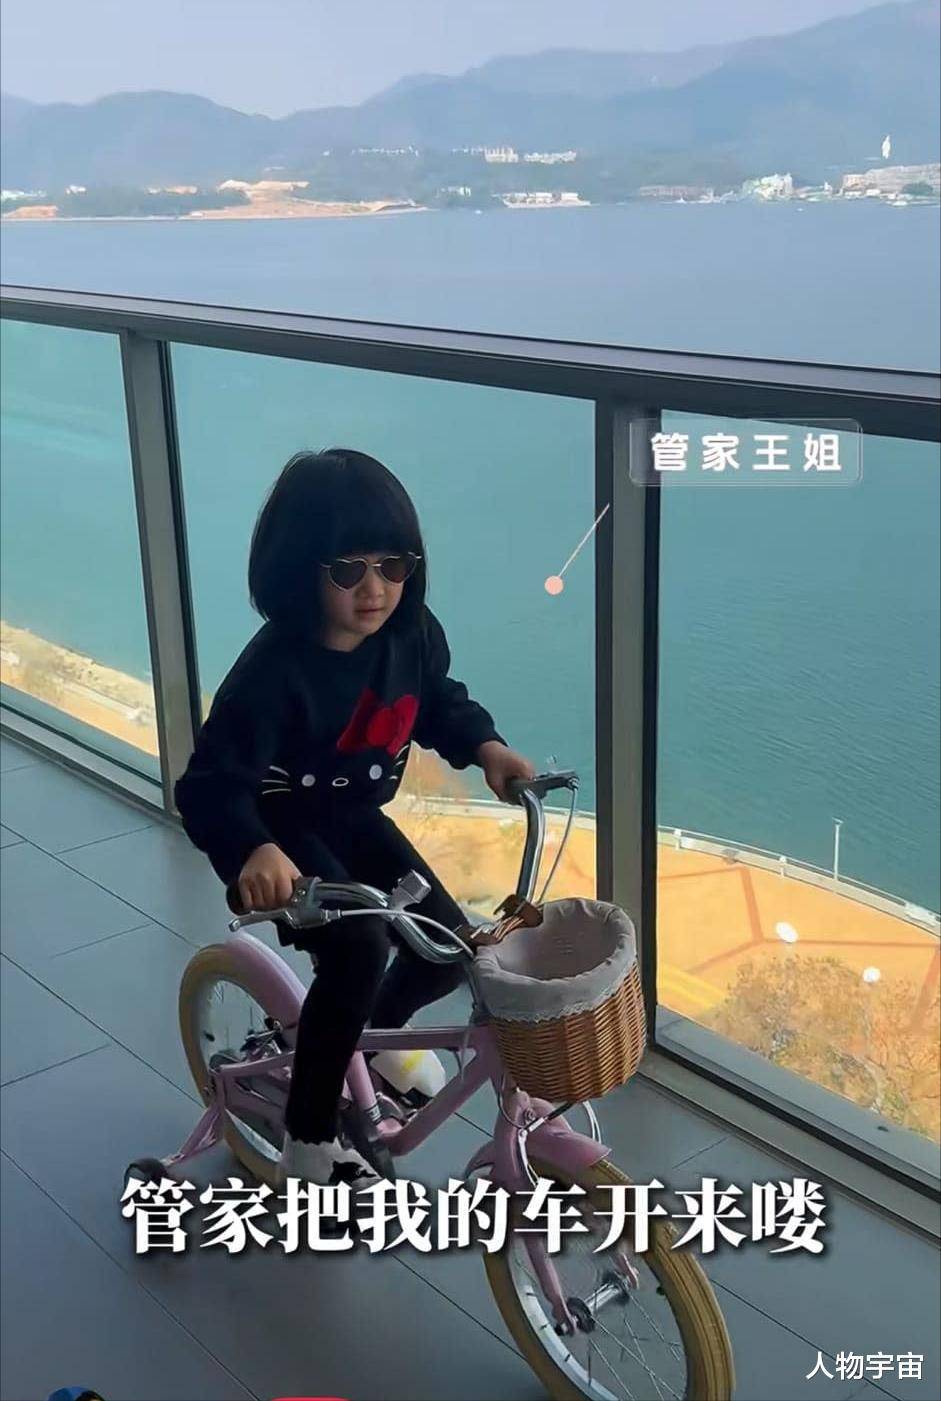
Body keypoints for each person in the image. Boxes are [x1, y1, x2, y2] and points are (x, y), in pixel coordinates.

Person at [174, 449, 534, 1187]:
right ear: (299, 570)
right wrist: (253, 849)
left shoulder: (411, 634)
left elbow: (438, 701)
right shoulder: (271, 674)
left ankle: (361, 1041)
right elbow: (208, 787)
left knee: (447, 947)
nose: (375, 589)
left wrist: (487, 747)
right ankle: (308, 1139)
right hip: (278, 830)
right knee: (358, 949)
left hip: (350, 814)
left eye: (393, 565)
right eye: (348, 570)